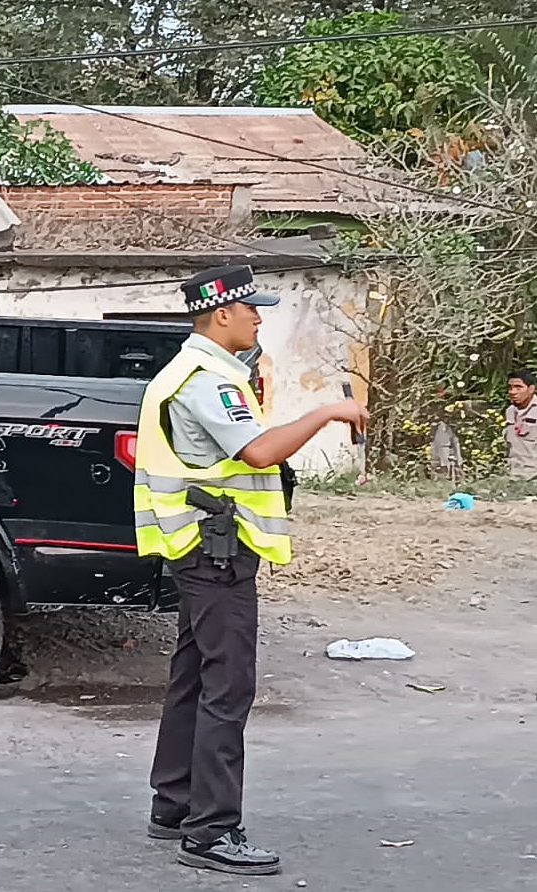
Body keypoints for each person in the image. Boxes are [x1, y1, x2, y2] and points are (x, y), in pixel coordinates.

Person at [134, 264, 368, 876]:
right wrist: (327, 413)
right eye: (251, 310)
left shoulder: (199, 373)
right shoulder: (205, 379)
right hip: (216, 550)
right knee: (228, 686)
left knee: (194, 674)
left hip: (201, 545)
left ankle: (174, 806)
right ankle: (210, 832)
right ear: (221, 315)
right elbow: (259, 451)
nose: (259, 318)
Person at [504, 370, 537, 480]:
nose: (512, 392)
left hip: (533, 477)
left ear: (531, 389)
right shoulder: (510, 411)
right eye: (510, 387)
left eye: (518, 387)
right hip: (513, 476)